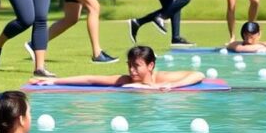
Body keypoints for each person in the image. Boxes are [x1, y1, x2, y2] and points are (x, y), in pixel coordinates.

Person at [28, 45, 205, 90]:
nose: (131, 71)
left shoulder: (162, 78)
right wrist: (54, 81)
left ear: (150, 65)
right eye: (129, 66)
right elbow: (90, 79)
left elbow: (198, 74)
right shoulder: (125, 80)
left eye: (136, 66)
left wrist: (170, 86)